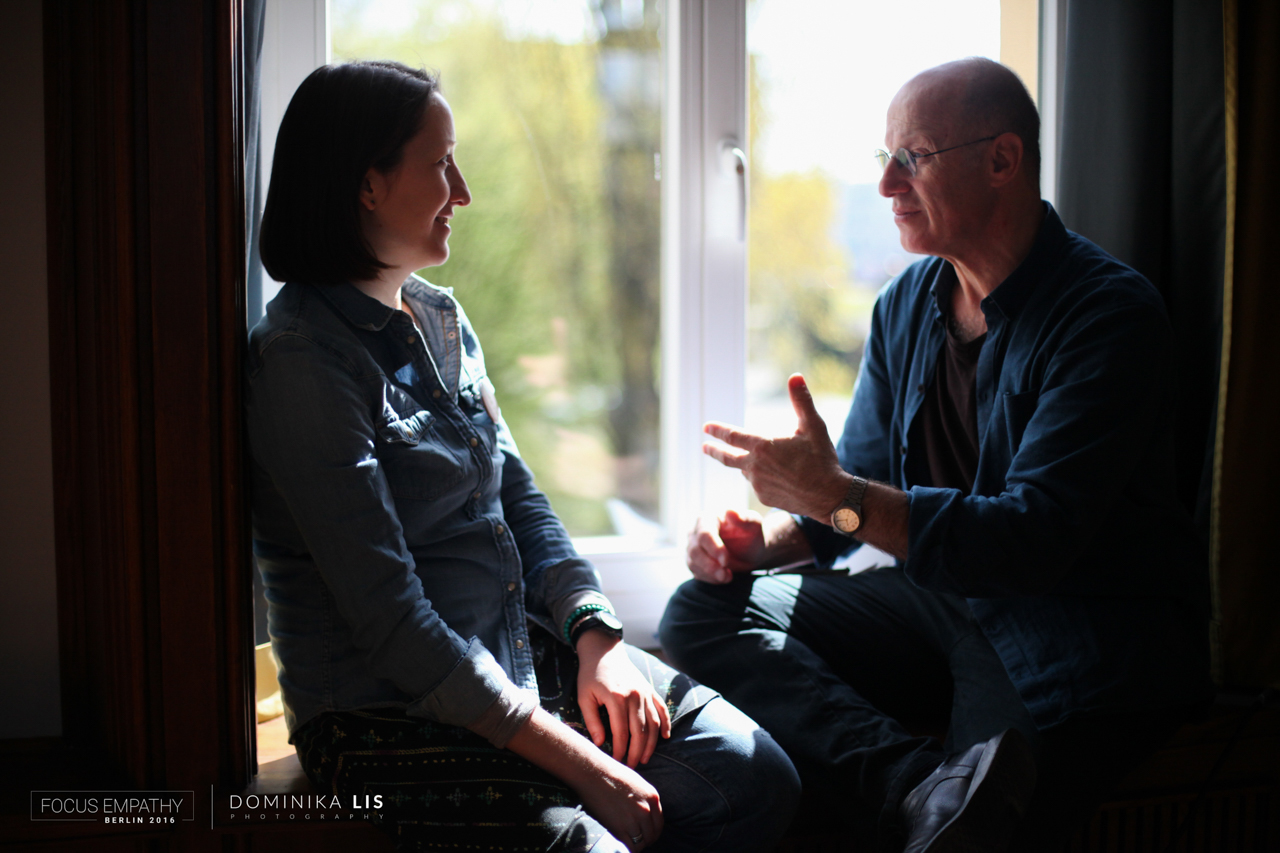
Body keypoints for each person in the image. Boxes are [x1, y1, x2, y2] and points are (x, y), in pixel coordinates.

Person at [659, 57, 1212, 853]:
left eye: (911, 157)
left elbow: (1028, 541)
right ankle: (912, 782)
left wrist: (833, 494)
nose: (886, 183)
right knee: (701, 608)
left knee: (971, 832)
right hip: (941, 601)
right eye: (884, 158)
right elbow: (857, 496)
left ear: (1002, 160)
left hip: (1068, 632)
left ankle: (939, 802)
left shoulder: (1108, 317)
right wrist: (764, 541)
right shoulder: (906, 305)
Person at [248, 60, 799, 853]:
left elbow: (521, 500)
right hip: (388, 716)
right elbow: (393, 621)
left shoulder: (440, 320)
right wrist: (583, 762)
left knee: (756, 776)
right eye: (442, 163)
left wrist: (597, 638)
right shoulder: (304, 363)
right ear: (368, 185)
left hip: (520, 653)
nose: (463, 191)